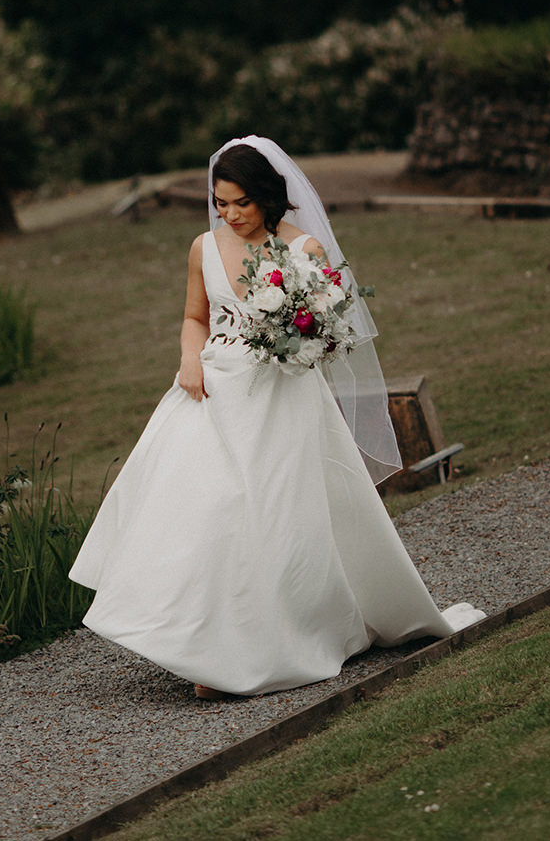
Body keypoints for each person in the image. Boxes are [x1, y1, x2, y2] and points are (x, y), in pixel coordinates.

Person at [69, 135, 483, 698]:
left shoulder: (304, 252)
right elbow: (194, 316)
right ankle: (204, 646)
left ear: (266, 196)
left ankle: (268, 642)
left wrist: (300, 340)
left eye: (241, 202)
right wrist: (190, 357)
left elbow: (328, 330)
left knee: (275, 513)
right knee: (204, 510)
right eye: (221, 202)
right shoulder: (203, 247)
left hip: (282, 397)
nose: (230, 214)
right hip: (212, 390)